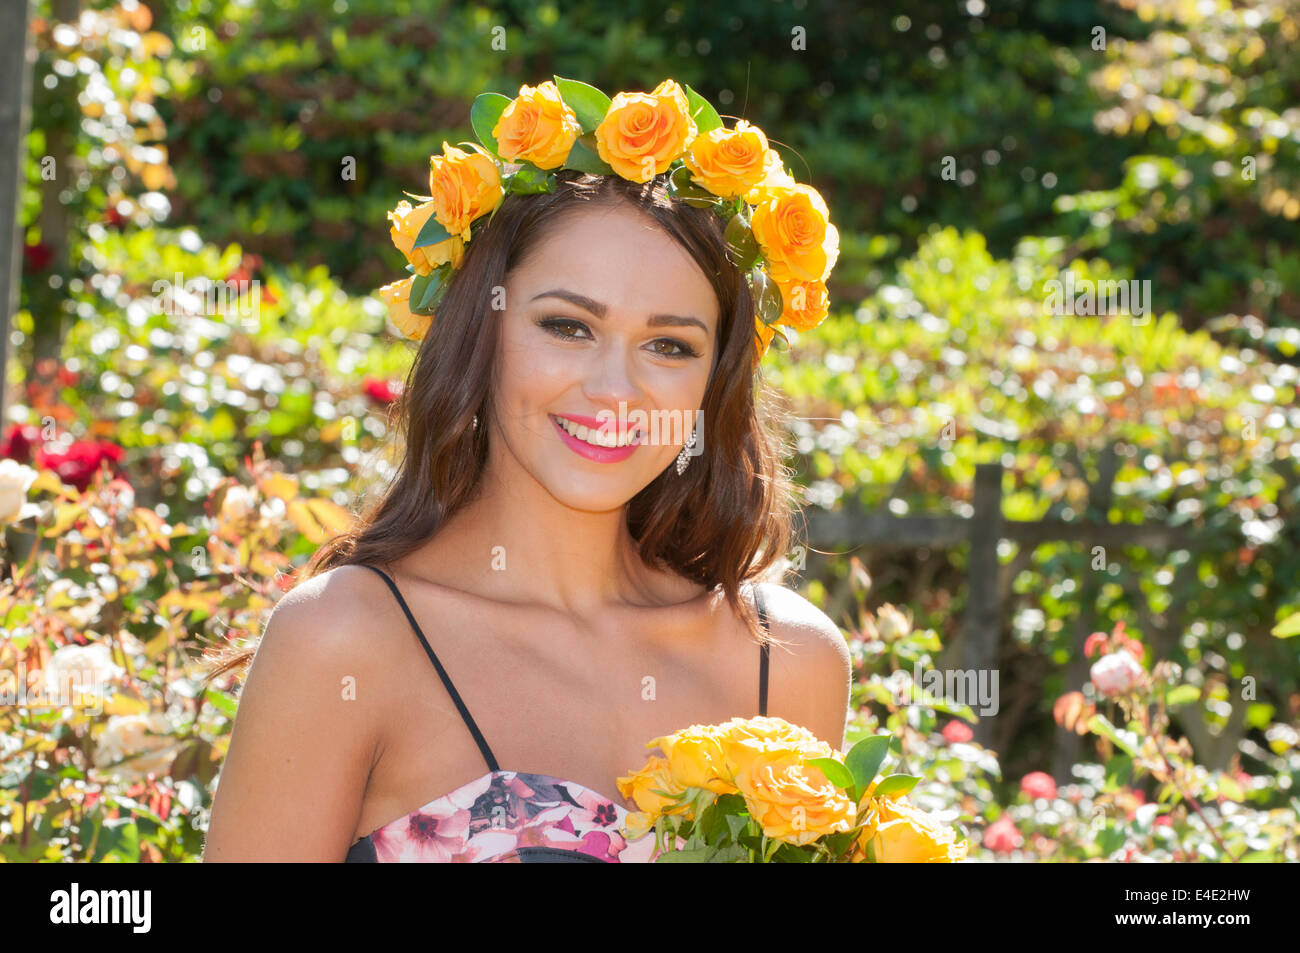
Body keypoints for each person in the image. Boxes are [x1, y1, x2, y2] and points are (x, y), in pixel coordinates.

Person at [202, 79, 849, 862]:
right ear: (486, 332)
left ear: (713, 384)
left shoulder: (791, 661)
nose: (616, 389)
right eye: (568, 326)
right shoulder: (345, 639)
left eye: (669, 344)